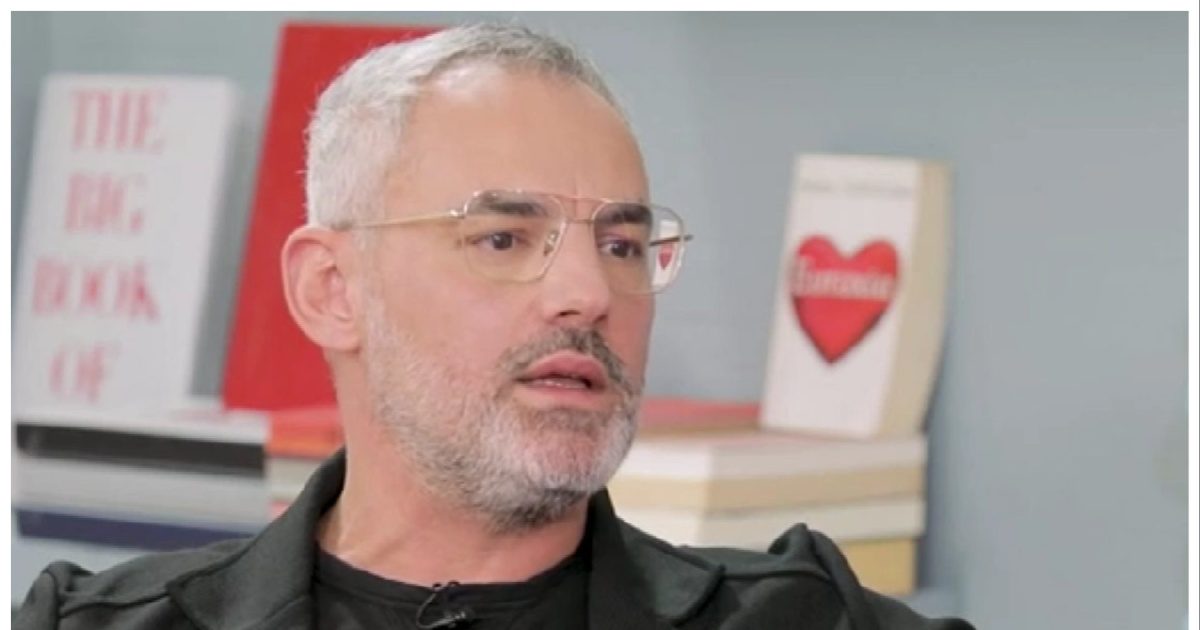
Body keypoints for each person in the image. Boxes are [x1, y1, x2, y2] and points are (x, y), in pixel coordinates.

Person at [16, 23, 973, 629]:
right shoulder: (89, 624)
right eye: (504, 237)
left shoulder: (809, 619)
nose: (587, 292)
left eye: (622, 244)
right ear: (332, 289)